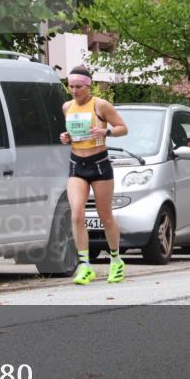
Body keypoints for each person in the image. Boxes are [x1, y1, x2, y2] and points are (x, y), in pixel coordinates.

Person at [59, 66, 128, 284]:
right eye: (71, 86)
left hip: (99, 165)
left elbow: (122, 128)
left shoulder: (101, 105)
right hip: (76, 163)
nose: (74, 90)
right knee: (77, 214)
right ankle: (85, 265)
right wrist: (66, 137)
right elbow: (74, 135)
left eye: (79, 86)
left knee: (105, 216)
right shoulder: (67, 106)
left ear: (88, 86)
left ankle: (116, 260)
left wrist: (105, 131)